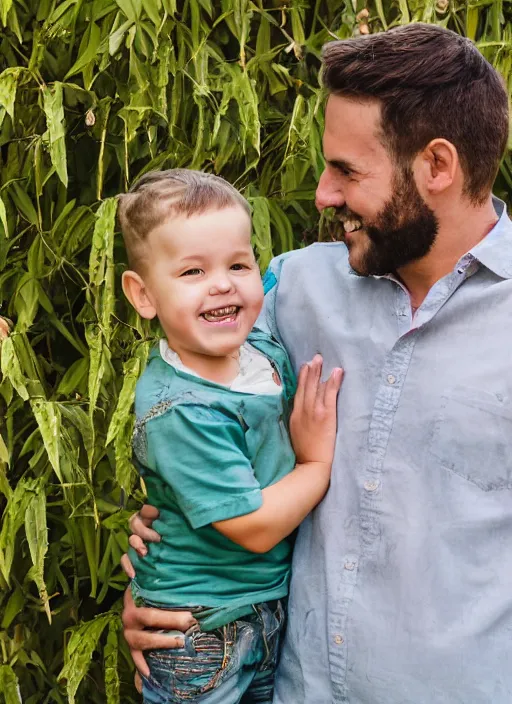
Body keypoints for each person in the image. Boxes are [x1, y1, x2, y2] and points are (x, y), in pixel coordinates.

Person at [122, 23, 512, 703]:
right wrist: (165, 580)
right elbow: (194, 426)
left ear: (438, 166)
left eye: (347, 171)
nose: (324, 195)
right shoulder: (287, 289)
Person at [117, 168, 342, 703]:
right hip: (199, 625)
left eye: (237, 264)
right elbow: (256, 529)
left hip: (262, 609)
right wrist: (315, 464)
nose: (222, 283)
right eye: (192, 270)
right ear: (143, 294)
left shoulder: (258, 350)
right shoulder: (179, 409)